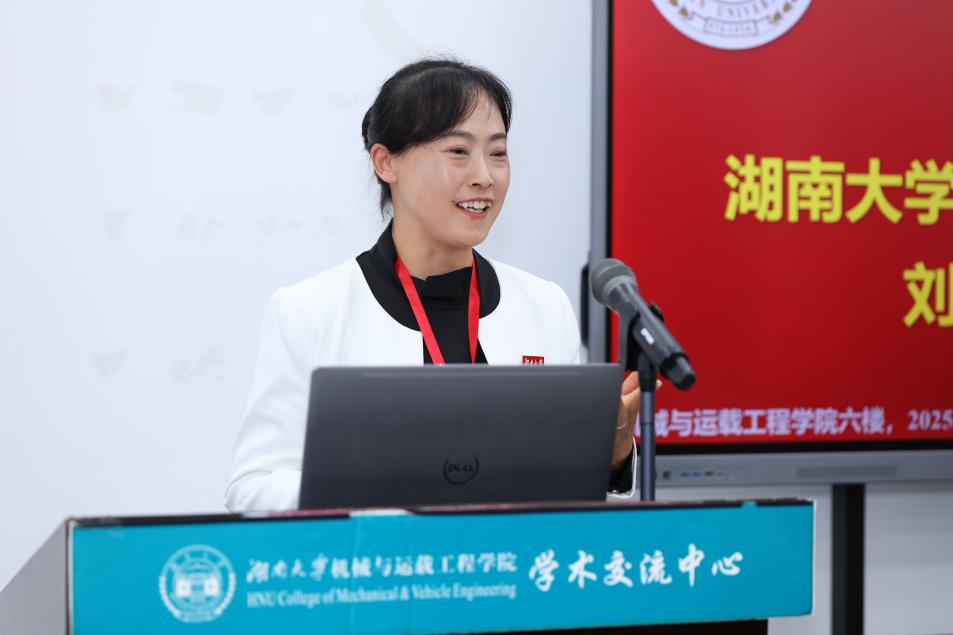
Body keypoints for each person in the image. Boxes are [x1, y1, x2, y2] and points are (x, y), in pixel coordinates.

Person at [224, 58, 649, 513]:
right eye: (458, 151)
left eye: (498, 153)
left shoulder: (545, 306)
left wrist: (612, 457)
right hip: (385, 560)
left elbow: (573, 506)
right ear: (386, 162)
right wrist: (378, 493)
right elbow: (252, 488)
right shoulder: (310, 310)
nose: (484, 176)